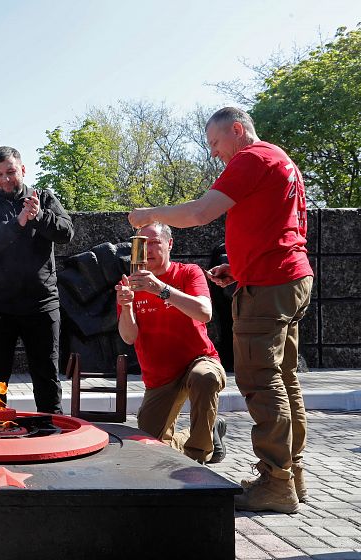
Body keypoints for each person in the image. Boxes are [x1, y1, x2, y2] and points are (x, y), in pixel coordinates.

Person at [128, 107, 313, 514]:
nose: (214, 154)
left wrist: (151, 214)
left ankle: (275, 484)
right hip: (286, 277)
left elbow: (199, 213)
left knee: (261, 381)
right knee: (285, 380)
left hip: (270, 285)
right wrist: (241, 267)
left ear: (236, 130)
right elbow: (279, 228)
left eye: (215, 143)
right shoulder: (281, 160)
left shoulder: (253, 157)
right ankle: (292, 475)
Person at [0, 146, 74, 414]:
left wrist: (38, 216)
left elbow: (66, 233)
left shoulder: (45, 199)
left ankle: (51, 434)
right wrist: (18, 223)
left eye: (11, 172)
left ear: (23, 170)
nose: (5, 179)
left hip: (40, 305)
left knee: (46, 376)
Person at [116, 222, 227, 464]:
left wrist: (161, 289)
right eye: (142, 244)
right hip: (161, 377)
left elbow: (205, 312)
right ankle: (209, 432)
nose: (149, 249)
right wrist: (126, 307)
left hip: (200, 359)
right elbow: (128, 337)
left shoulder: (188, 272)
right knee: (149, 447)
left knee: (205, 377)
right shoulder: (131, 284)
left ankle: (198, 457)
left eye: (155, 242)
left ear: (170, 244)